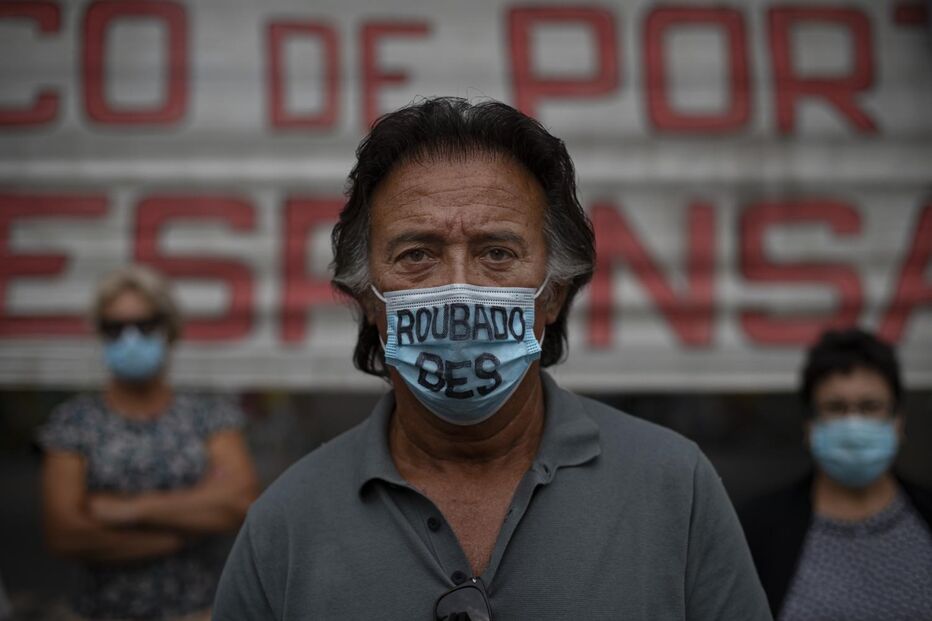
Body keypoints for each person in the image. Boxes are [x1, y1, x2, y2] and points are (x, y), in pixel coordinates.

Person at [214, 97, 771, 620]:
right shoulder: (285, 524)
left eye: (497, 253)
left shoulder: (675, 486)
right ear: (369, 298)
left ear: (553, 293)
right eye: (417, 254)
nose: (459, 290)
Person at [39, 265, 259, 621]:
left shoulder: (209, 415)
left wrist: (123, 510)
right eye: (114, 327)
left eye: (145, 325)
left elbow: (239, 502)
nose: (130, 339)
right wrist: (181, 533)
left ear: (169, 329)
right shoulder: (74, 422)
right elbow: (65, 533)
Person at [739, 328, 932, 620]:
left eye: (870, 407)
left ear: (898, 421)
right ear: (809, 424)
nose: (853, 424)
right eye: (835, 407)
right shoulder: (758, 530)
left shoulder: (925, 519)